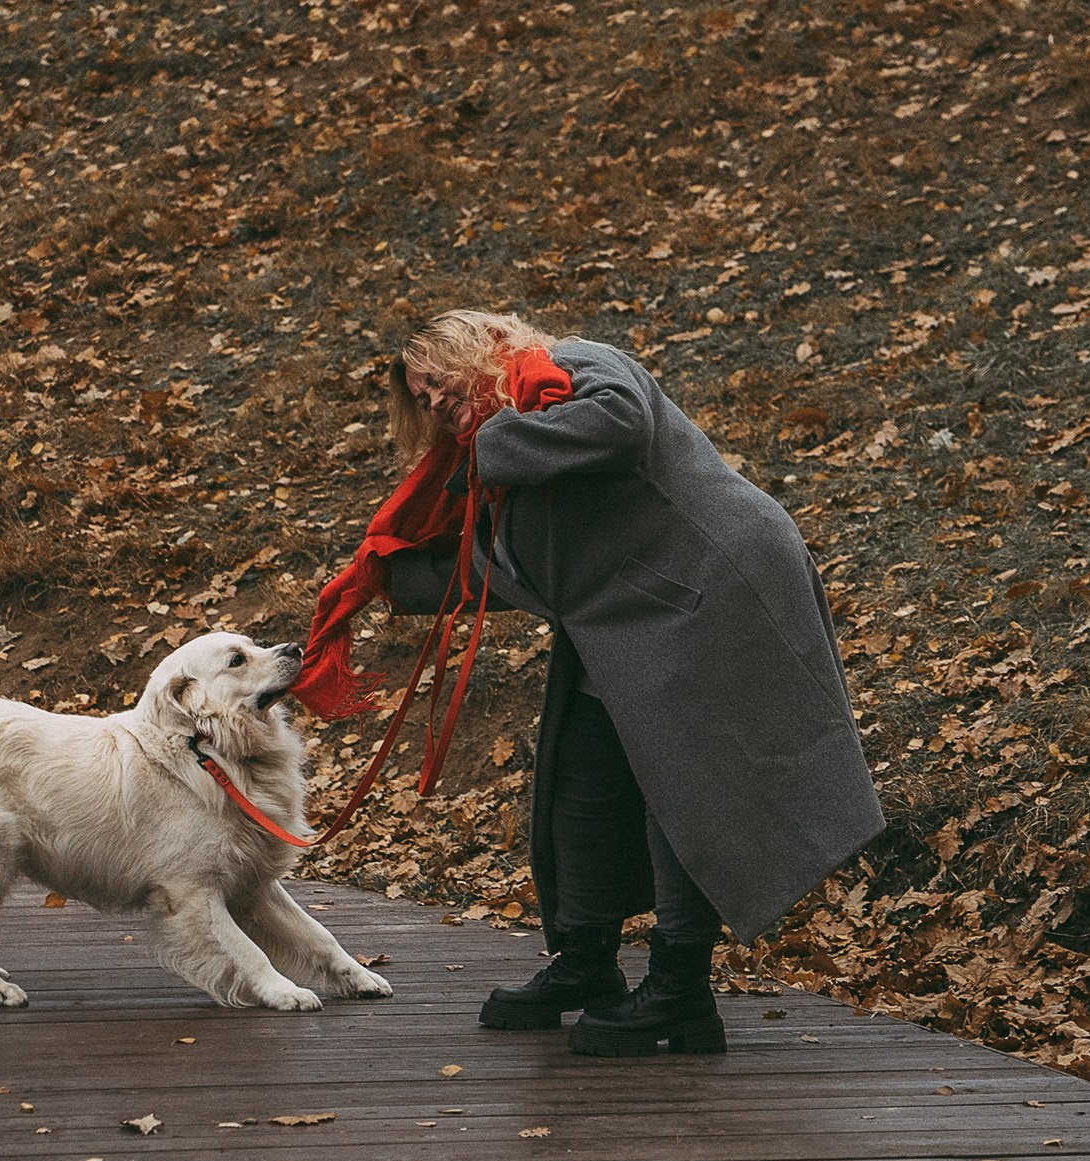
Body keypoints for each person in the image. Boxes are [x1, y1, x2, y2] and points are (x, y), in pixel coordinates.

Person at [311, 309, 884, 1056]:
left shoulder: (571, 366)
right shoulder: (508, 463)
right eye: (420, 400)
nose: (435, 404)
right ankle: (587, 964)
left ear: (477, 351)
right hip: (628, 617)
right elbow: (509, 572)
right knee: (580, 771)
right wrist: (382, 581)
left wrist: (487, 445)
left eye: (438, 381)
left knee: (682, 784)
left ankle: (681, 989)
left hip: (715, 589)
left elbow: (619, 423)